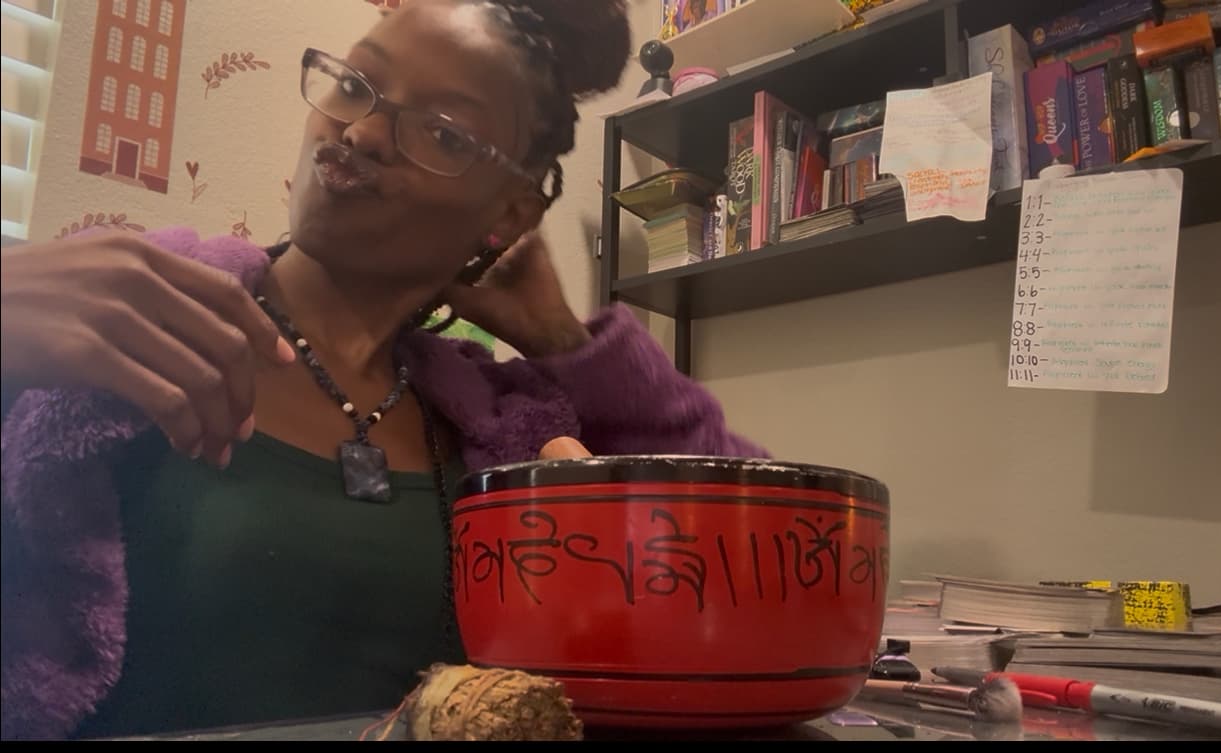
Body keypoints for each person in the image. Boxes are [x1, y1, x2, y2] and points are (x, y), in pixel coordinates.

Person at [0, 0, 765, 740]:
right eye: (355, 84)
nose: (360, 131)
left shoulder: (503, 424)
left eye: (441, 130)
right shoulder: (134, 313)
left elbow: (751, 536)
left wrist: (566, 342)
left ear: (510, 214)